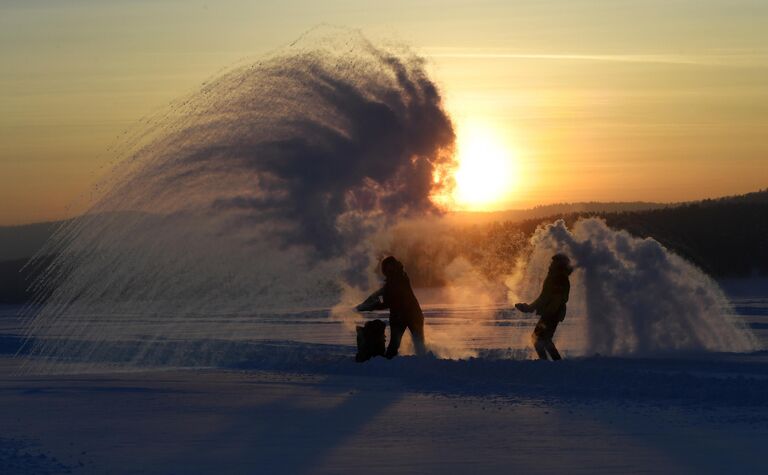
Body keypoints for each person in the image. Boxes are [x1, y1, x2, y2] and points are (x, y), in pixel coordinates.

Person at [356, 256, 426, 358]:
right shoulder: (396, 279)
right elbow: (382, 293)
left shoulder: (400, 279)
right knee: (395, 345)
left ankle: (422, 361)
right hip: (404, 316)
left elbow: (387, 301)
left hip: (408, 316)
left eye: (390, 266)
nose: (389, 269)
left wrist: (369, 306)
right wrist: (365, 304)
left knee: (416, 345)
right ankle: (420, 360)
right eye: (387, 267)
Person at [515, 253, 573, 360]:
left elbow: (549, 298)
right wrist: (530, 307)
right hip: (551, 313)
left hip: (551, 314)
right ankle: (553, 362)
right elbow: (545, 296)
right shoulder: (556, 277)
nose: (551, 264)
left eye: (554, 262)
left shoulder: (558, 278)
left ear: (559, 264)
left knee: (538, 338)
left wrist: (530, 308)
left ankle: (548, 362)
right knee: (544, 339)